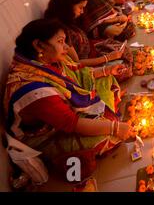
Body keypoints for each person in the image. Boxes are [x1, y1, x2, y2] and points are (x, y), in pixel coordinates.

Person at [3, 19, 134, 162]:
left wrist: (107, 70)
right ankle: (109, 110)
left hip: (68, 111)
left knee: (106, 79)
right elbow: (72, 123)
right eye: (60, 42)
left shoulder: (48, 61)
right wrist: (115, 128)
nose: (66, 47)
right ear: (39, 45)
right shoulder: (34, 90)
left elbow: (79, 72)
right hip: (48, 135)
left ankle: (107, 110)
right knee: (106, 137)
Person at [44, 0, 133, 82]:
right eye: (80, 7)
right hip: (85, 65)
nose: (82, 12)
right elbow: (77, 62)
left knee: (125, 51)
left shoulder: (69, 19)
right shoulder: (60, 30)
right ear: (69, 5)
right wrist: (108, 58)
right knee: (123, 70)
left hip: (92, 49)